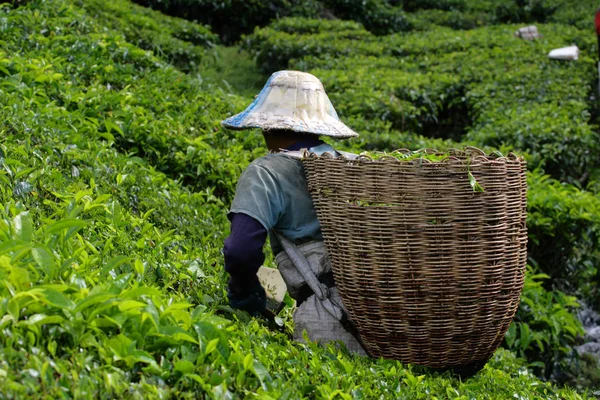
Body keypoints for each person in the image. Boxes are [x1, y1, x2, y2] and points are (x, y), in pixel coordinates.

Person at [221, 70, 366, 355]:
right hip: (375, 315)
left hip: (327, 323)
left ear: (266, 126)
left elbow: (240, 251)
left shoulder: (265, 173)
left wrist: (246, 295)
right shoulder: (349, 165)